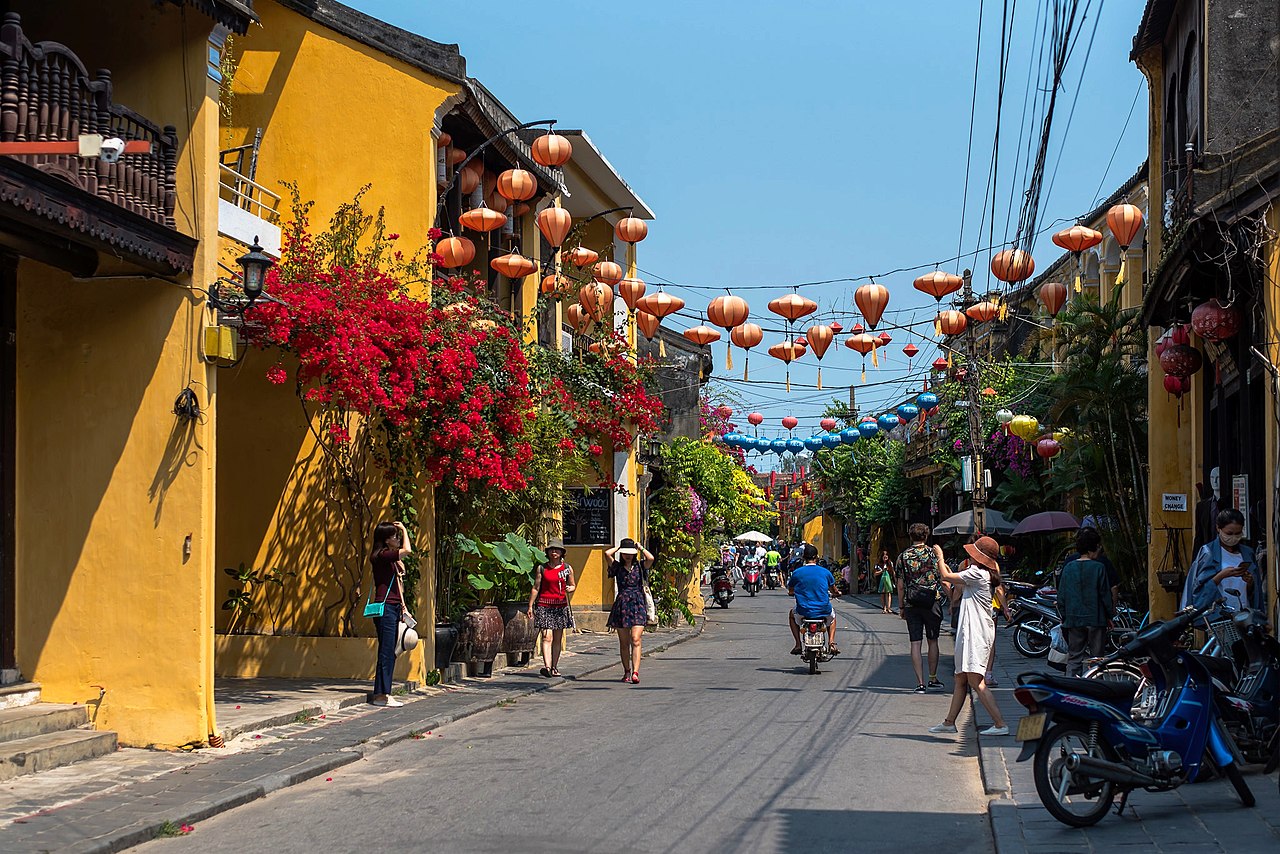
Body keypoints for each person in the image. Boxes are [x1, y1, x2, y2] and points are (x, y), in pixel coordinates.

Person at [929, 536, 1009, 736]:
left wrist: (939, 557)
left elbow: (947, 577)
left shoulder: (978, 574)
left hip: (976, 633)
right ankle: (949, 722)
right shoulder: (982, 574)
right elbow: (951, 581)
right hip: (973, 631)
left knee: (975, 680)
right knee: (960, 678)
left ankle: (1000, 724)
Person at [1186, 508, 1264, 617]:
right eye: (1229, 533)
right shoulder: (1208, 553)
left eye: (1238, 533)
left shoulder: (1247, 553)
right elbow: (1199, 590)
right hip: (1219, 617)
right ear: (1218, 528)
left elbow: (1254, 593)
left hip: (1245, 614)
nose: (1233, 537)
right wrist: (1222, 575)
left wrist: (1250, 582)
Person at [1058, 527, 1114, 677]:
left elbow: (1061, 596)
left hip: (1074, 619)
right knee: (1097, 659)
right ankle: (1095, 688)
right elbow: (1105, 596)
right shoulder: (1099, 568)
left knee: (1074, 657)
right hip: (1095, 619)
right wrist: (1110, 616)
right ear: (1093, 548)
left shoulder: (1069, 567)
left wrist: (1065, 616)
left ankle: (1072, 689)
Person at [896, 523, 944, 693]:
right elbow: (943, 577)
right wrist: (952, 598)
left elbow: (900, 585)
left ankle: (920, 683)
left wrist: (901, 606)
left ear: (911, 536)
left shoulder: (902, 556)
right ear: (926, 536)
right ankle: (933, 678)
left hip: (912, 603)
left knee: (915, 643)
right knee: (933, 640)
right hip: (932, 601)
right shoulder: (934, 554)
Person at [368, 520, 412, 707]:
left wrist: (403, 607)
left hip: (393, 606)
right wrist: (404, 528)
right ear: (386, 540)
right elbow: (407, 550)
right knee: (387, 651)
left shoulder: (389, 559)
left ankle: (384, 692)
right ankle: (381, 695)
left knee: (390, 650)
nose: (398, 538)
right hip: (385, 607)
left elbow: (397, 585)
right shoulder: (382, 556)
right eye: (395, 536)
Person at [606, 537, 655, 684]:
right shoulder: (617, 567)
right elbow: (607, 554)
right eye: (625, 553)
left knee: (636, 638)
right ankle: (626, 671)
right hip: (622, 604)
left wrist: (640, 548)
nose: (628, 555)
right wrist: (619, 547)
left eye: (630, 553)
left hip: (638, 603)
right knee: (624, 642)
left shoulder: (640, 566)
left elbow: (651, 558)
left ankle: (635, 672)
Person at [526, 541, 575, 678]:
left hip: (560, 606)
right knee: (547, 637)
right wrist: (530, 605)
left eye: (557, 550)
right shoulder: (542, 568)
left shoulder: (567, 568)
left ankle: (554, 666)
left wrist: (569, 589)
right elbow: (536, 587)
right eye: (552, 550)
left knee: (557, 638)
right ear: (548, 552)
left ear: (562, 553)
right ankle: (547, 666)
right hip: (544, 605)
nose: (554, 552)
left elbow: (572, 585)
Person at [787, 543, 840, 656]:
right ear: (816, 557)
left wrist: (792, 593)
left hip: (803, 611)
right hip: (823, 611)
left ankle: (797, 644)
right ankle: (831, 642)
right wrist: (838, 593)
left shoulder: (797, 573)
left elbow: (791, 590)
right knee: (833, 617)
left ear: (803, 558)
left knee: (791, 614)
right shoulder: (825, 572)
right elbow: (834, 590)